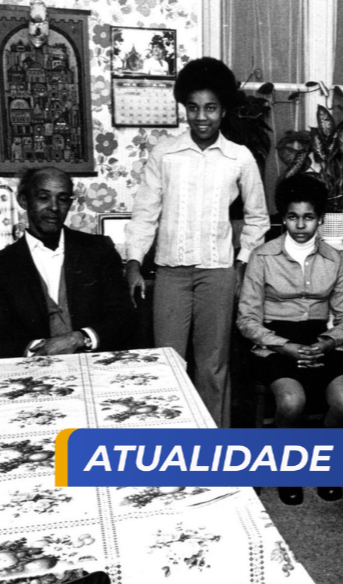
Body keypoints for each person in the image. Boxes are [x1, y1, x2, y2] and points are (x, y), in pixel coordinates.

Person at [125, 57, 270, 428]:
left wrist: (242, 263)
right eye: (193, 108)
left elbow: (258, 218)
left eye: (210, 108)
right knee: (167, 362)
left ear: (223, 110)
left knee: (213, 366)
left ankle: (213, 448)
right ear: (184, 109)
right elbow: (145, 214)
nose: (201, 117)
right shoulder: (164, 154)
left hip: (218, 275)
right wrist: (134, 262)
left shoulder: (239, 157)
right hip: (171, 275)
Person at [237, 173, 343, 506]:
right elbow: (246, 320)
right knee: (292, 402)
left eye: (308, 217)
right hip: (276, 341)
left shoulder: (334, 259)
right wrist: (283, 346)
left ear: (319, 219)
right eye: (293, 217)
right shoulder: (262, 257)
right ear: (284, 218)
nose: (301, 225)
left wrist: (328, 343)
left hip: (320, 340)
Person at [0, 167, 136, 359]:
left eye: (62, 199)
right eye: (43, 197)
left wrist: (80, 338)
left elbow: (123, 317)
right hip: (31, 370)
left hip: (95, 364)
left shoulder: (99, 250)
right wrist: (39, 349)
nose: (54, 207)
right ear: (23, 201)